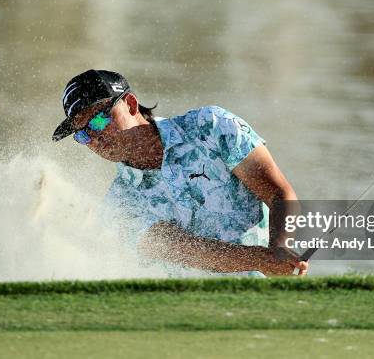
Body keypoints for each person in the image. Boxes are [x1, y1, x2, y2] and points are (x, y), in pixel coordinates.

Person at [52, 69, 308, 276]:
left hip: (271, 298)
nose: (94, 137)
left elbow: (278, 193)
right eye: (82, 133)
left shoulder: (211, 126)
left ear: (130, 104)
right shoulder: (118, 206)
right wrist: (261, 260)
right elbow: (182, 249)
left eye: (97, 121)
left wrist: (280, 249)